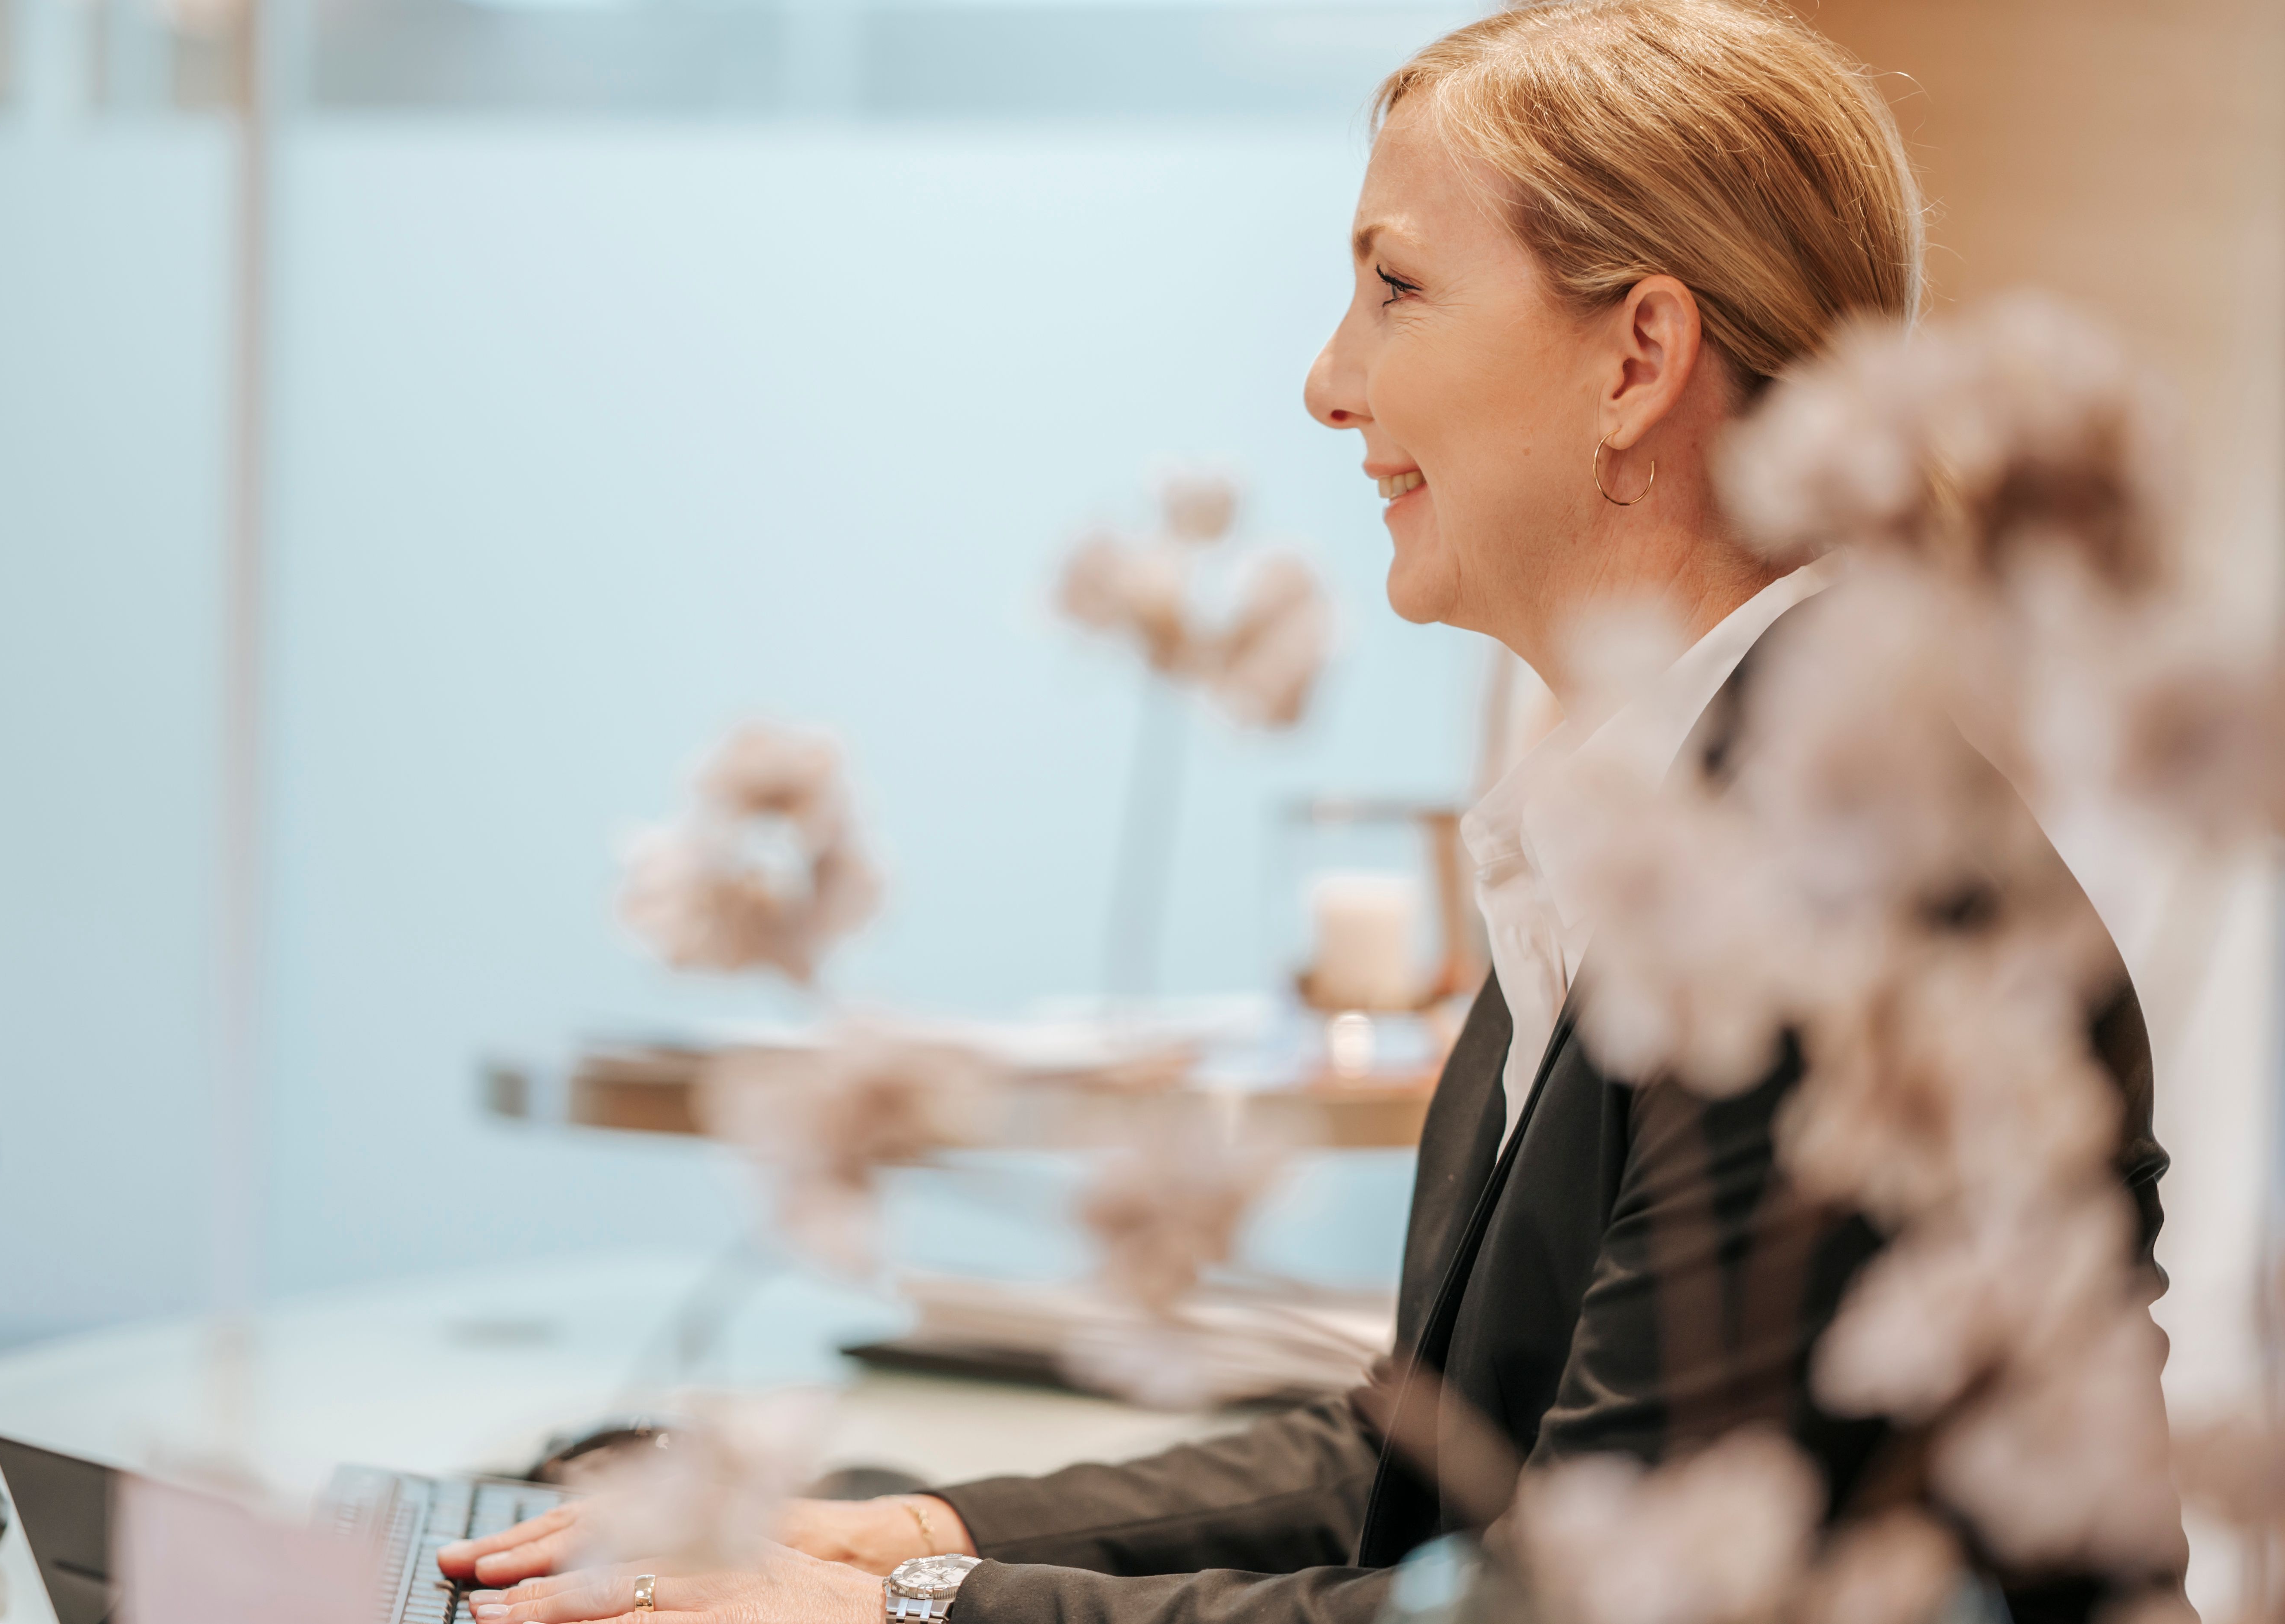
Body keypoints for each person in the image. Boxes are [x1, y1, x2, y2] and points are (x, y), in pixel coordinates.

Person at [437, 2, 2169, 1621]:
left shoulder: (1830, 890)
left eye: (1395, 289)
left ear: (1638, 358)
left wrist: (905, 1613)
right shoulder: (1671, 820)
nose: (1330, 382)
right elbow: (1416, 1460)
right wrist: (907, 1535)